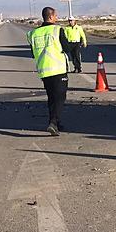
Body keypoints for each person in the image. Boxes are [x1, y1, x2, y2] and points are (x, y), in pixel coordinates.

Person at [27, 7, 70, 136]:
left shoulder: (33, 34)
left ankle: (56, 123)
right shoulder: (57, 30)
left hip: (44, 71)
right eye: (56, 15)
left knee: (52, 98)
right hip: (58, 69)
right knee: (60, 98)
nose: (57, 18)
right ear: (51, 17)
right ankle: (53, 123)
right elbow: (66, 48)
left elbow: (33, 54)